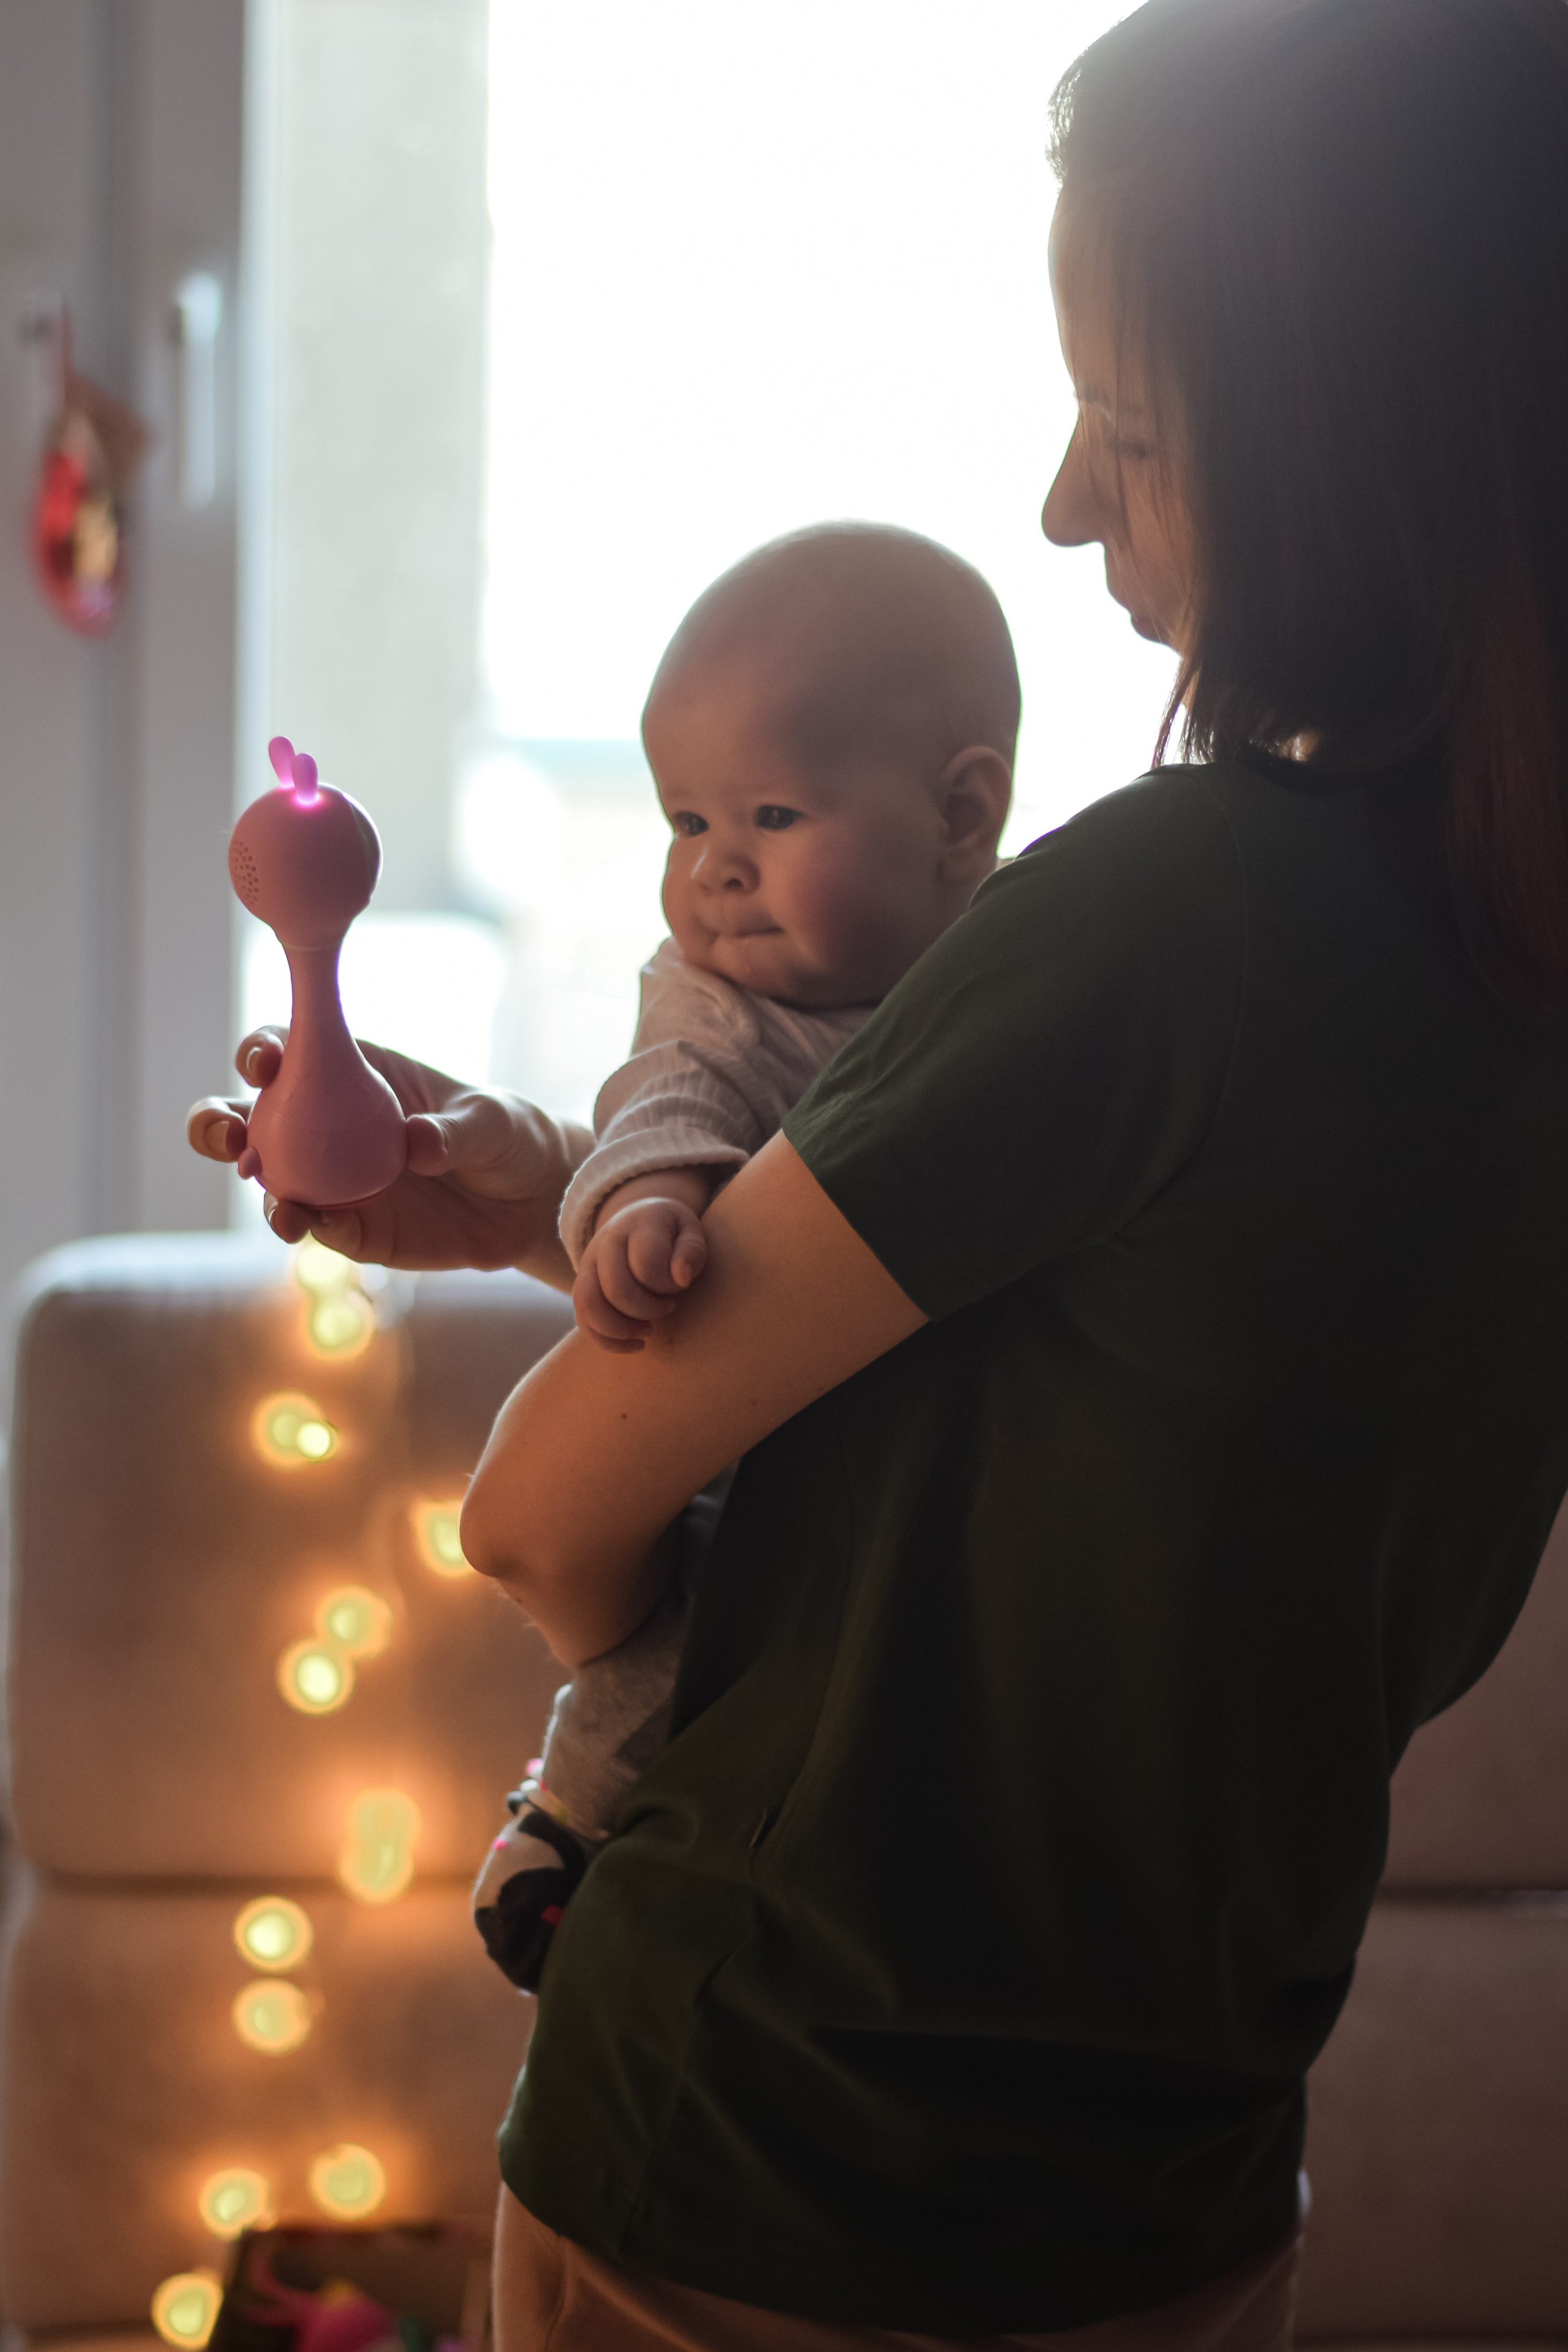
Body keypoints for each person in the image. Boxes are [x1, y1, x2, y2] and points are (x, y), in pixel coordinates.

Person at [187, 0, 1568, 2343]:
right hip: (1185, 2201)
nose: (1062, 501)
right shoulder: (1498, 964)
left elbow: (537, 1509)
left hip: (770, 2172)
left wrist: (611, 1646)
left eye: (1128, 425)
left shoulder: (1176, 911)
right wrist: (552, 1186)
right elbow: (1091, 1374)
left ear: (1371, 449)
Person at [471, 523, 1019, 1993]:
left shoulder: (1020, 988)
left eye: (771, 815)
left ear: (961, 820)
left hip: (937, 1489)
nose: (715, 872)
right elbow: (661, 1098)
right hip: (749, 1460)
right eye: (683, 823)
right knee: (687, 1624)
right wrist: (642, 1201)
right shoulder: (720, 999)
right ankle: (567, 1823)